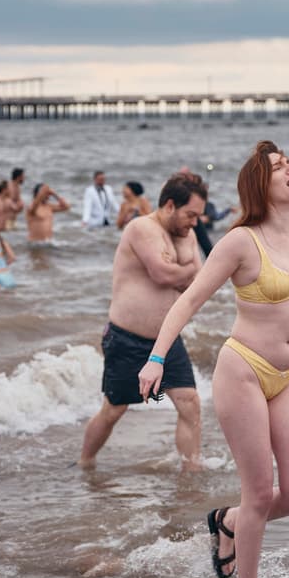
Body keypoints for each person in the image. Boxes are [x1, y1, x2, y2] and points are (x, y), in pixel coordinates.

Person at [138, 141, 289, 578]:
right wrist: (155, 359)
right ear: (259, 185)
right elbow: (188, 300)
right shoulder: (240, 241)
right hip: (244, 370)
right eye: (280, 168)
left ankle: (229, 522)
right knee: (258, 492)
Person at [80, 172, 208, 471]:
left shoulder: (186, 235)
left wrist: (185, 270)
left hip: (166, 338)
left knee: (189, 402)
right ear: (170, 205)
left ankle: (192, 471)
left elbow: (198, 281)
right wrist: (186, 269)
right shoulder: (141, 228)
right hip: (127, 338)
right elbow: (163, 275)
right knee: (114, 409)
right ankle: (85, 463)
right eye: (191, 214)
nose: (195, 223)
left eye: (198, 216)